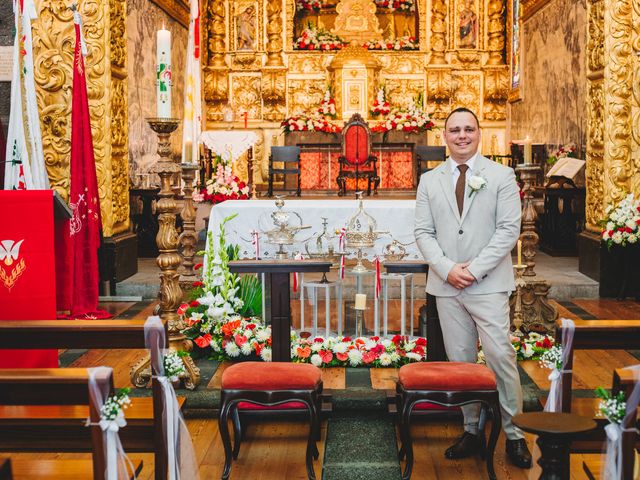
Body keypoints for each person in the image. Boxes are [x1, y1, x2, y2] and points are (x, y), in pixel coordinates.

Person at [414, 107, 532, 469]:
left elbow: (509, 230)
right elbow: (423, 232)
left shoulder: (501, 175)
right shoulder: (429, 181)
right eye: (454, 130)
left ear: (478, 133)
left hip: (488, 284)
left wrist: (474, 270)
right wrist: (448, 269)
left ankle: (515, 434)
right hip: (447, 286)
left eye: (468, 129)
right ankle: (470, 428)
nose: (461, 135)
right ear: (444, 136)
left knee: (500, 357)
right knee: (461, 361)